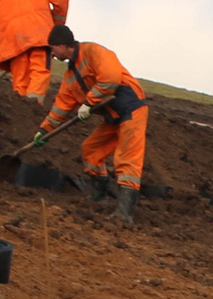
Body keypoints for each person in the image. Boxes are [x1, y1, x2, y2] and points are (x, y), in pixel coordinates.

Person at [29, 24, 145, 223]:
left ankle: (124, 214)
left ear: (63, 45)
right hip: (112, 118)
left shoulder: (93, 52)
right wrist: (44, 130)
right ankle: (99, 198)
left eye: (53, 49)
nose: (52, 54)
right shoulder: (70, 76)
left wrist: (88, 102)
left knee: (127, 159)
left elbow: (111, 79)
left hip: (131, 110)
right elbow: (61, 107)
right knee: (91, 151)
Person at [0, 0, 71, 99]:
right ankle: (32, 105)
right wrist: (57, 25)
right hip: (39, 34)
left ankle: (19, 108)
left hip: (14, 40)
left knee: (20, 78)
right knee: (39, 71)